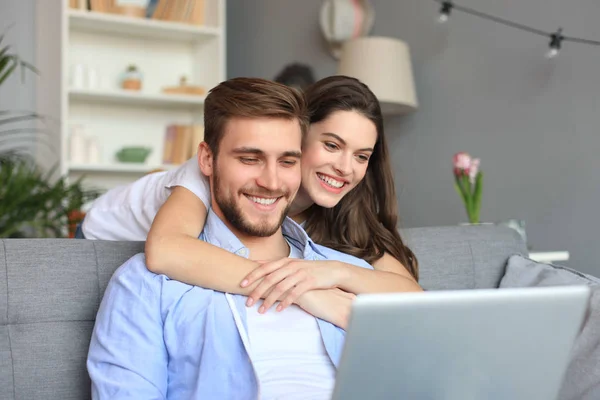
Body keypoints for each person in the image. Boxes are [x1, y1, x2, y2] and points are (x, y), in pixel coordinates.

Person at [87, 77, 374, 399]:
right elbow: (165, 250)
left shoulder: (347, 273)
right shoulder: (146, 284)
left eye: (288, 161)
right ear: (207, 160)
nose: (271, 181)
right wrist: (299, 291)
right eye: (249, 159)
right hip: (95, 227)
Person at [80, 75, 421, 313]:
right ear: (295, 135)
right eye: (332, 145)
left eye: (361, 156)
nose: (345, 167)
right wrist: (306, 293)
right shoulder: (212, 173)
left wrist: (337, 272)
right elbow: (166, 250)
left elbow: (410, 293)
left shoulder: (332, 210)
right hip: (98, 235)